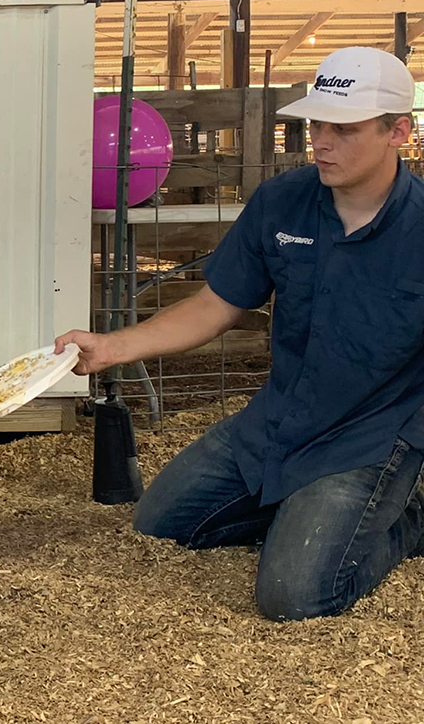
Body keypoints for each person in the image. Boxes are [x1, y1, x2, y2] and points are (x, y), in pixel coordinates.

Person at [57, 46, 424, 622]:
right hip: (277, 420)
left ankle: (404, 522)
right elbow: (216, 304)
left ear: (397, 131)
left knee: (294, 596)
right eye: (315, 125)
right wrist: (111, 347)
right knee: (160, 524)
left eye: (344, 129)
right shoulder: (283, 201)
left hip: (367, 438)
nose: (320, 143)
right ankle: (303, 511)